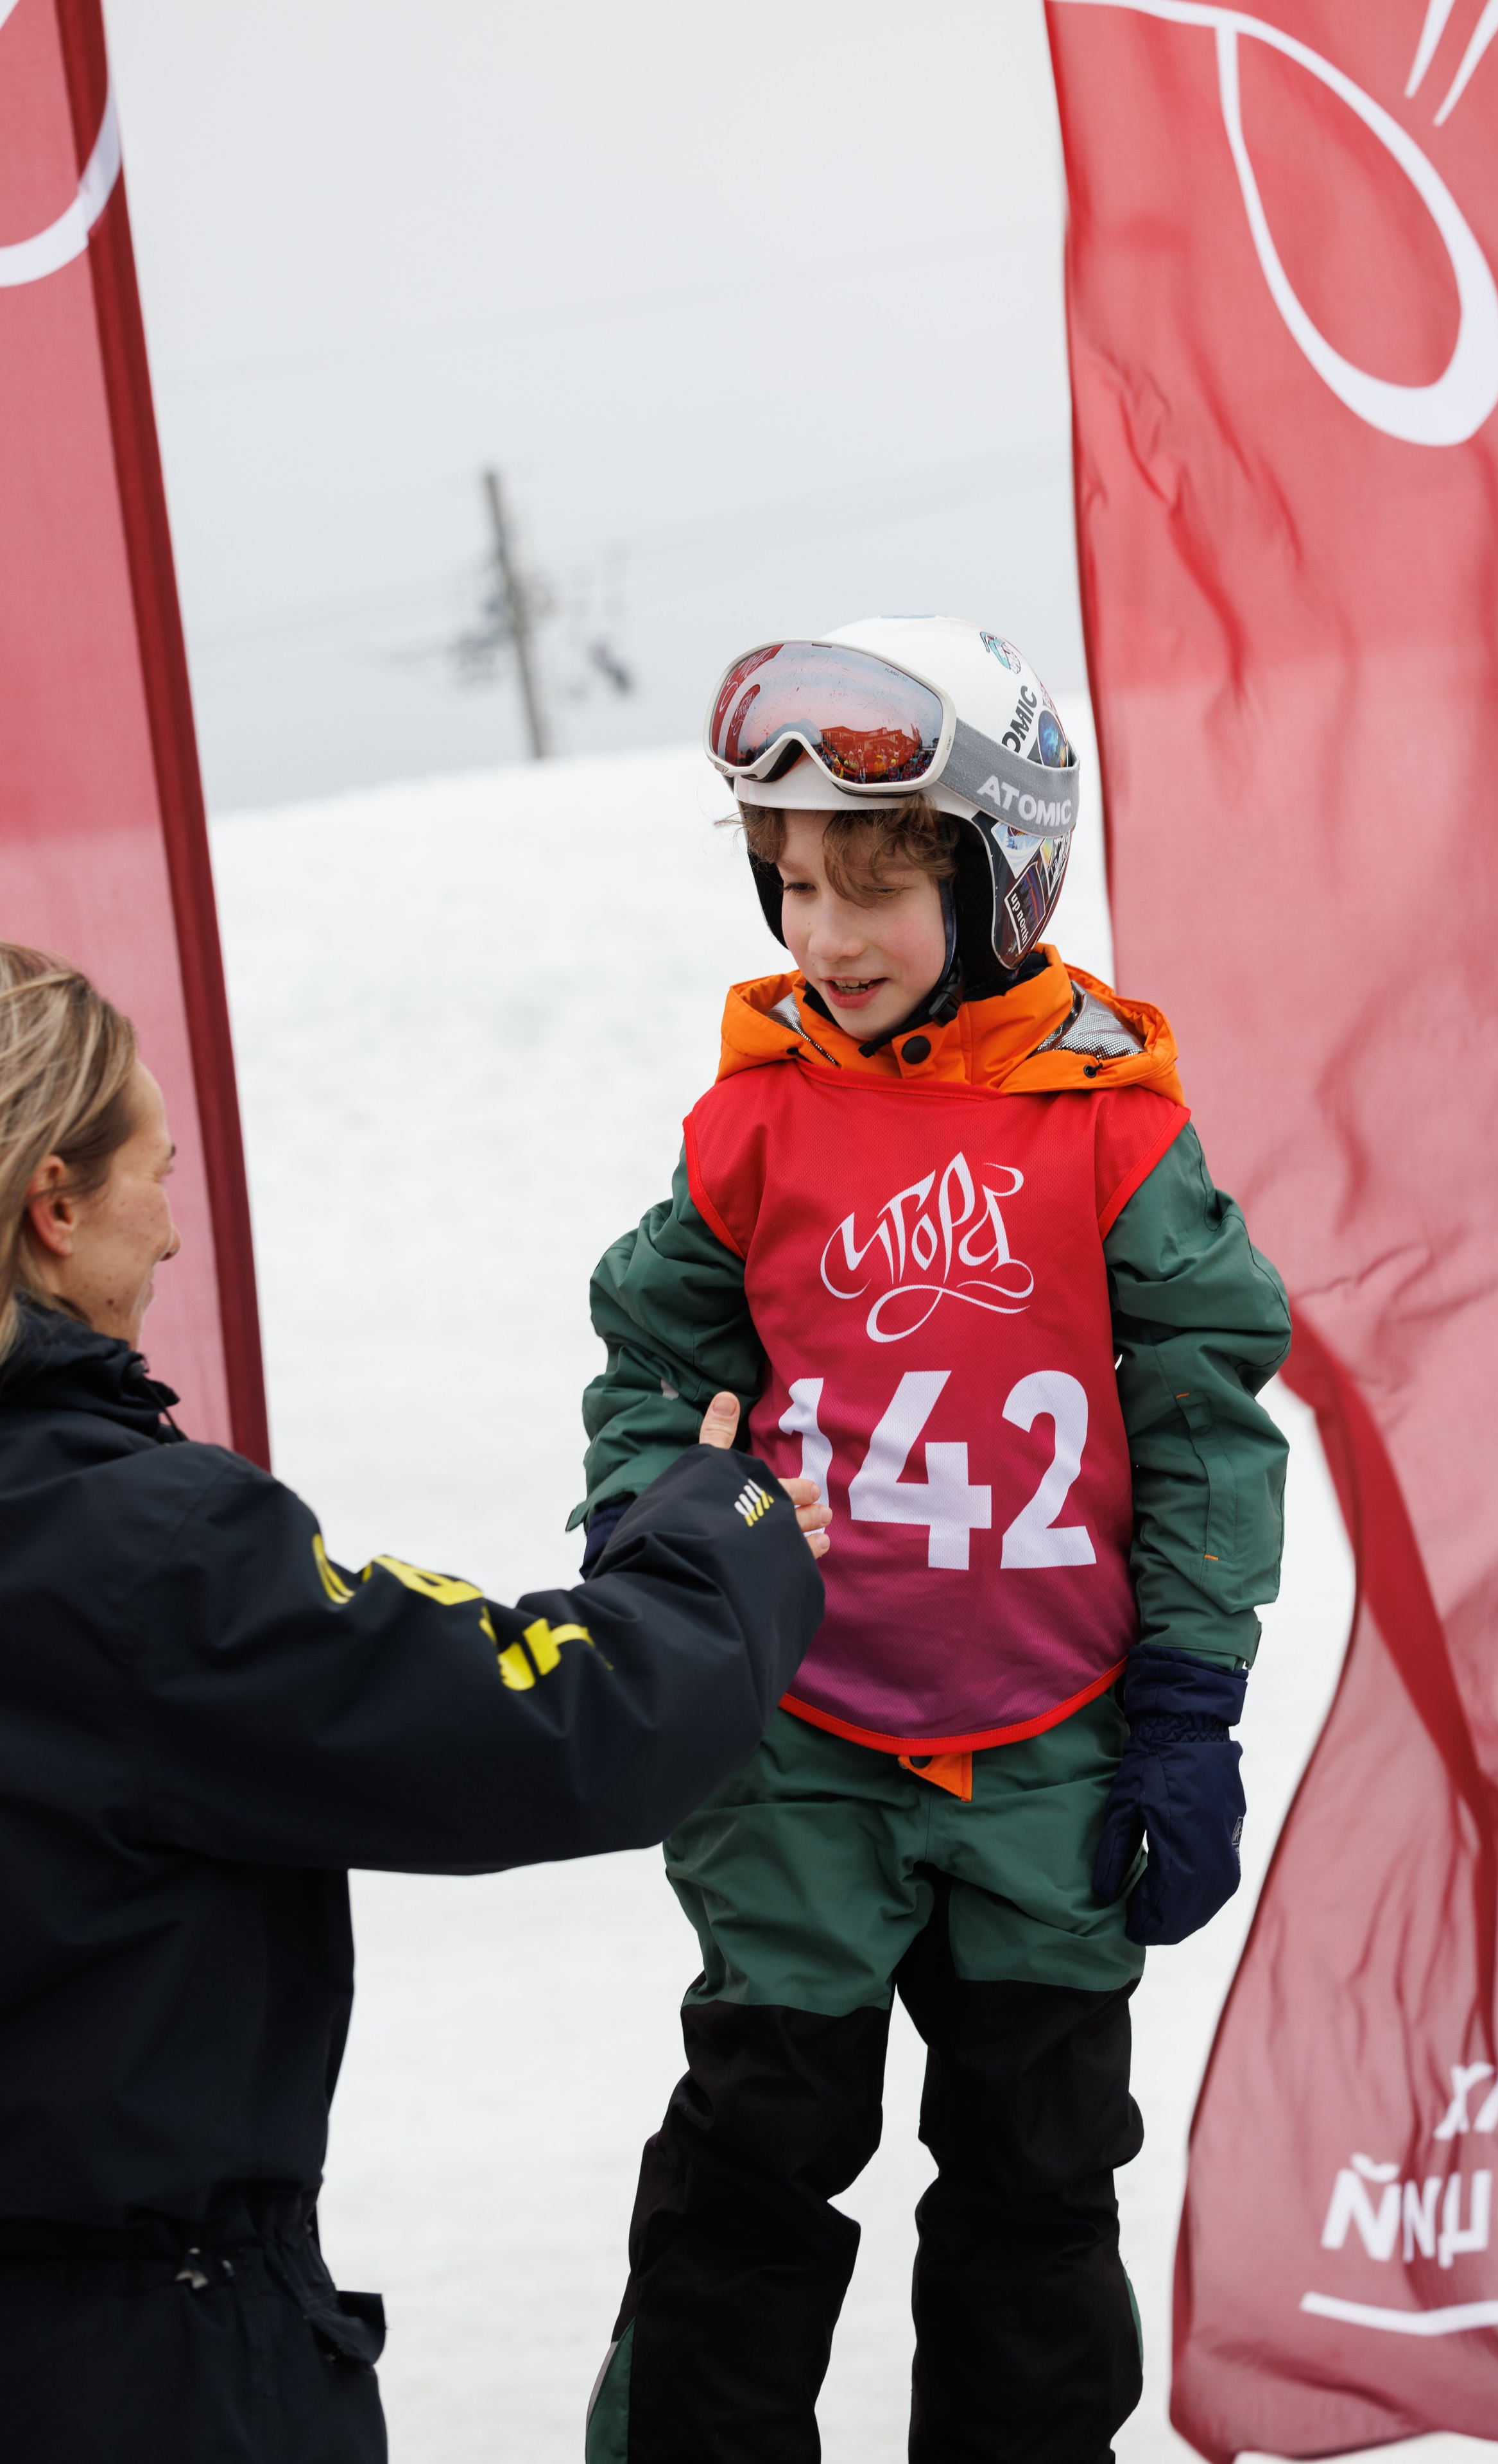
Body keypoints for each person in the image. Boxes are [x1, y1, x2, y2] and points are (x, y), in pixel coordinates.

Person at [573, 620, 1293, 2464]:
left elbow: (1208, 1411)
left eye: (879, 886)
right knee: (756, 2161)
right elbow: (658, 1356)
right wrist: (662, 1548)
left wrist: (1190, 1705)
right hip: (803, 1740)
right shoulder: (753, 1123)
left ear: (1000, 871)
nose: (824, 933)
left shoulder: (1116, 1132)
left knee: (1038, 2187)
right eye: (794, 881)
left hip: (1050, 1742)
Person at [0, 942, 830, 2464]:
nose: (176, 1230)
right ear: (55, 1206)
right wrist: (730, 1531)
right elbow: (555, 1723)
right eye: (153, 1176)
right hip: (131, 2366)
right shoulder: (135, 1552)